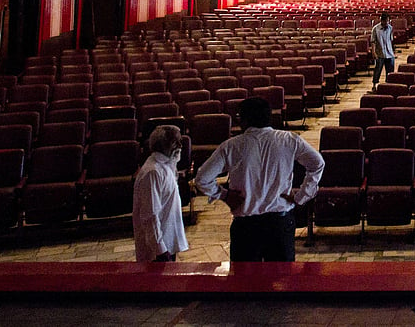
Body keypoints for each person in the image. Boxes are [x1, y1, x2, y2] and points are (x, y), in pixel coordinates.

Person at [194, 96, 324, 262]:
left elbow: (202, 179)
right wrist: (302, 196)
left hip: (246, 226)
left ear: (244, 120)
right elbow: (317, 163)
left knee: (246, 282)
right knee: (281, 280)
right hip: (280, 222)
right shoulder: (289, 139)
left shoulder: (232, 146)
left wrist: (224, 195)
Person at [132, 124, 189, 262]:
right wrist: (160, 249)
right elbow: (150, 215)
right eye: (176, 142)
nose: (180, 146)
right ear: (165, 145)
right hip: (156, 250)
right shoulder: (153, 172)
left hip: (167, 241)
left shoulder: (166, 166)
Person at [370, 11, 395, 90]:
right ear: (381, 20)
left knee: (390, 71)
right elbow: (373, 41)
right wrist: (373, 52)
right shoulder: (375, 29)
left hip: (389, 53)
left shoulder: (390, 28)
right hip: (379, 53)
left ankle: (389, 85)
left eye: (387, 21)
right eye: (384, 21)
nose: (386, 23)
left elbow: (390, 40)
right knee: (377, 70)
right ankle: (374, 85)